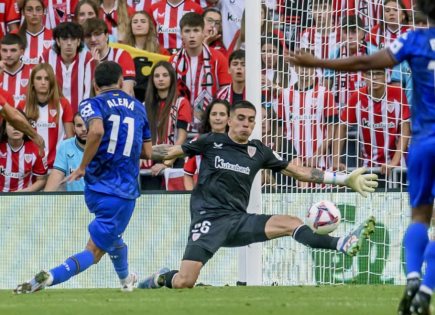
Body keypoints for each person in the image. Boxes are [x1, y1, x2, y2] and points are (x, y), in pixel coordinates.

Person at [289, 1, 435, 313]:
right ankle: (426, 288)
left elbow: (364, 62)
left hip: (422, 142)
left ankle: (412, 276)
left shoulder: (412, 40)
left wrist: (317, 62)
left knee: (420, 217)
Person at [138, 100, 378, 290]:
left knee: (291, 223)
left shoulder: (258, 151)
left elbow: (298, 172)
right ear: (230, 120)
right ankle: (160, 278)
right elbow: (170, 151)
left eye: (251, 120)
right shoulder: (211, 142)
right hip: (208, 220)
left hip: (238, 220)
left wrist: (342, 179)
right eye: (241, 119)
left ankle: (342, 243)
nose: (246, 124)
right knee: (184, 282)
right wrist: (135, 153)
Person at [14, 61, 153, 294]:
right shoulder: (138, 107)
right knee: (94, 252)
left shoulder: (91, 103)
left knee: (111, 237)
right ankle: (48, 277)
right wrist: (81, 166)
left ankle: (127, 280)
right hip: (122, 192)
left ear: (96, 85)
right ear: (121, 82)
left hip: (95, 189)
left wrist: (86, 167)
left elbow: (97, 129)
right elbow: (147, 152)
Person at [335, 70, 411, 185]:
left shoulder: (398, 93)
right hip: (369, 168)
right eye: (369, 74)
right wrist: (336, 160)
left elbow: (405, 130)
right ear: (364, 77)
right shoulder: (357, 97)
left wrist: (394, 162)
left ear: (386, 76)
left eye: (378, 73)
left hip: (397, 166)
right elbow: (342, 127)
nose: (374, 77)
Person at [170, 12, 231, 132]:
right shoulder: (173, 61)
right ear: (181, 34)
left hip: (210, 126)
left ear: (203, 33)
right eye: (187, 31)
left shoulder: (219, 58)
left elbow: (226, 93)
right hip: (179, 125)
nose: (192, 35)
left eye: (196, 30)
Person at [142, 60, 191, 190]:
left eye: (165, 75)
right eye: (157, 76)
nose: (161, 79)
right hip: (148, 162)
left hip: (174, 161)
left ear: (172, 78)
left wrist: (166, 163)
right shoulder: (143, 106)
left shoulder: (182, 103)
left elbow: (181, 138)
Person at [17, 63, 74, 169]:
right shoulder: (22, 105)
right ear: (32, 82)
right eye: (38, 78)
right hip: (30, 167)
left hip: (57, 167)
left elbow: (70, 139)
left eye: (47, 79)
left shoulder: (63, 104)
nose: (43, 82)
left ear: (52, 82)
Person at [41, 22, 94, 114]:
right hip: (52, 115)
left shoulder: (87, 58)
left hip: (80, 116)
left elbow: (89, 93)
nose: (69, 43)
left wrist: (82, 117)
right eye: (65, 39)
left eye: (73, 39)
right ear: (57, 41)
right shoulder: (46, 58)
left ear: (78, 42)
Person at [183, 99, 230, 190]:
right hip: (204, 201)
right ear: (208, 118)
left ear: (229, 119)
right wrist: (192, 197)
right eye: (214, 114)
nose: (217, 118)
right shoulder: (197, 142)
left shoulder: (236, 142)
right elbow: (188, 174)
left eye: (222, 114)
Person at [82, 18, 136, 96]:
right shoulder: (83, 59)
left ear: (107, 36)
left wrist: (98, 67)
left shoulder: (121, 55)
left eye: (97, 34)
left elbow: (126, 93)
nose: (93, 39)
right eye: (88, 35)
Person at [0, 116, 48, 192]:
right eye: (11, 124)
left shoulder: (36, 150)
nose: (15, 128)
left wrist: (23, 193)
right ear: (5, 129)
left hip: (25, 198)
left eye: (19, 124)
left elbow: (41, 180)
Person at [44, 113, 87, 191]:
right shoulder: (65, 146)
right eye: (79, 125)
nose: (84, 129)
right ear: (73, 128)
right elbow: (57, 174)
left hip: (99, 201)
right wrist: (45, 201)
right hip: (74, 202)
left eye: (87, 124)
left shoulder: (104, 147)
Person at [0, 34, 33, 106]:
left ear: (21, 52)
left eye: (13, 50)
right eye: (4, 50)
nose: (8, 55)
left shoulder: (33, 74)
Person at [19, 0, 53, 66]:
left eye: (38, 9)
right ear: (23, 12)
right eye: (29, 10)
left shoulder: (53, 36)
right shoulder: (15, 36)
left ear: (44, 12)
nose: (34, 13)